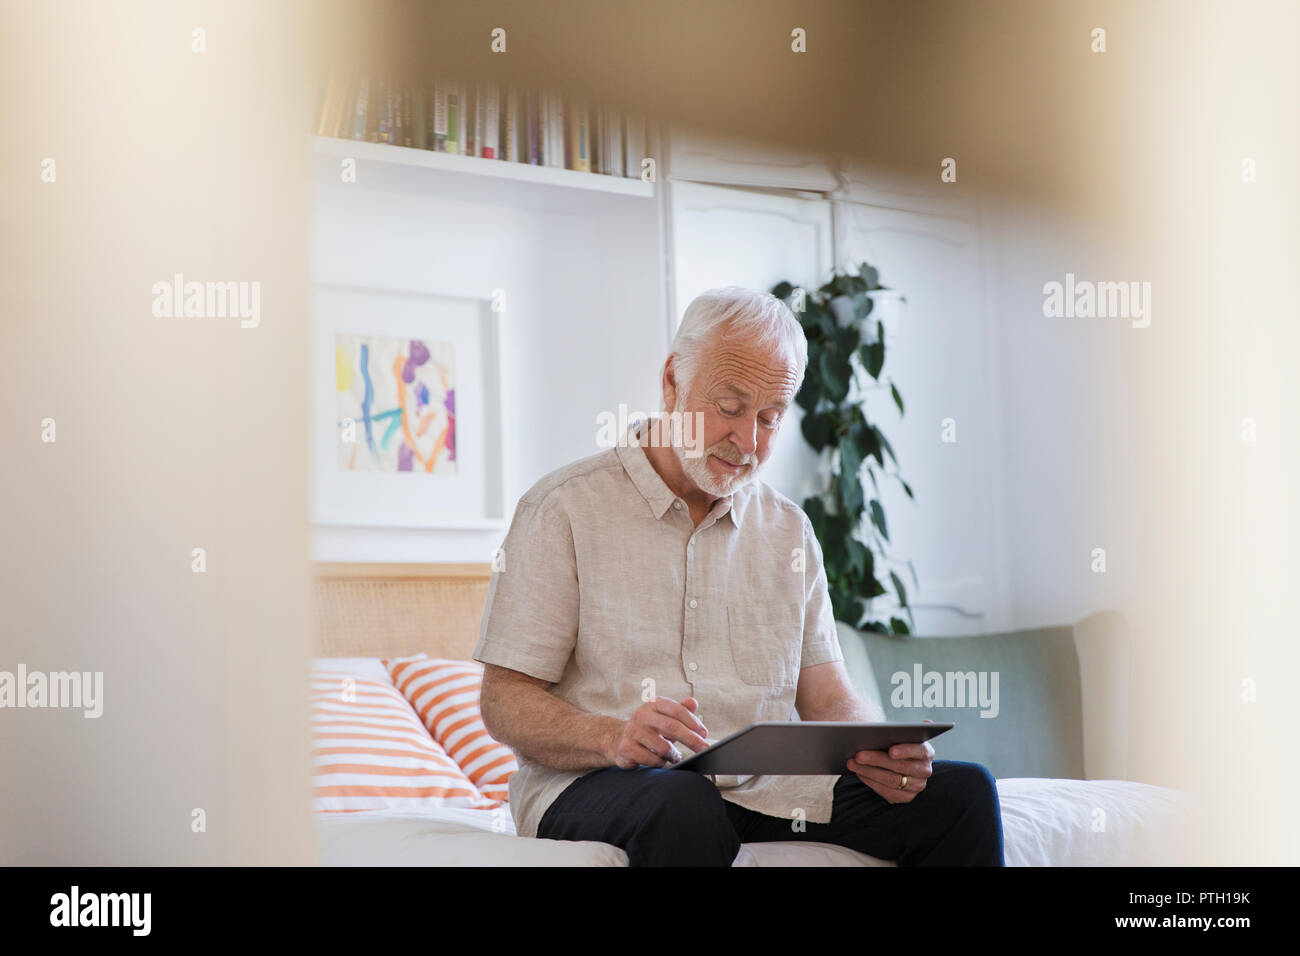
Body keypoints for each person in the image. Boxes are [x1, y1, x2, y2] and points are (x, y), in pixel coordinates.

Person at [473, 286, 1004, 866]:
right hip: (602, 781)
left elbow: (826, 695)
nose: (747, 441)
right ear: (673, 381)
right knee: (682, 802)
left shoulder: (789, 531)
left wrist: (880, 748)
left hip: (764, 788)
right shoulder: (562, 509)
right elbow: (504, 699)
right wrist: (612, 735)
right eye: (729, 407)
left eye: (770, 418)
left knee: (964, 792)